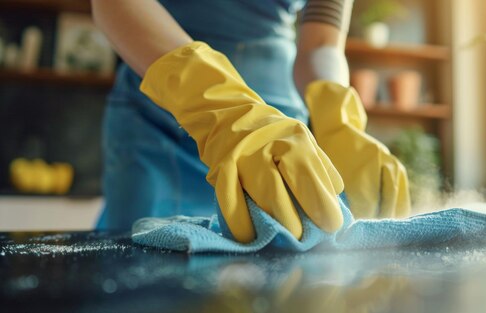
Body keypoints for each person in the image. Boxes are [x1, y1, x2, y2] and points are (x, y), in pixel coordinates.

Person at [92, 0, 410, 243]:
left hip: (278, 133)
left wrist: (337, 118)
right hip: (160, 121)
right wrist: (220, 106)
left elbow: (322, 42)